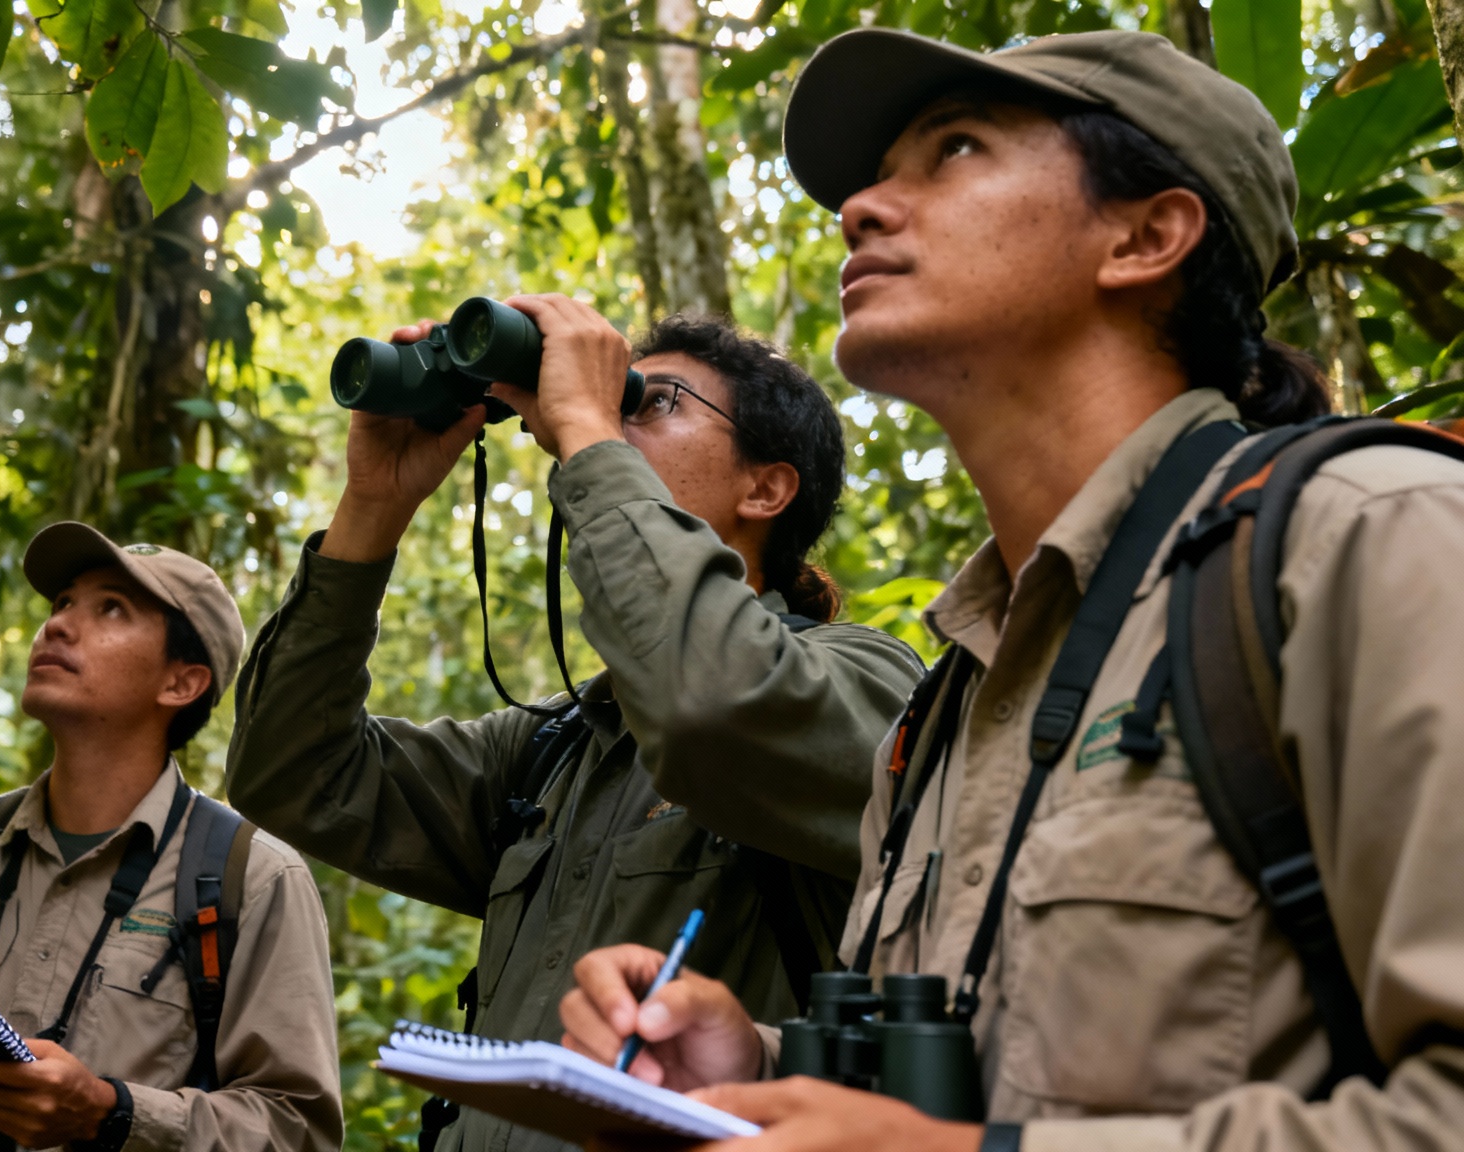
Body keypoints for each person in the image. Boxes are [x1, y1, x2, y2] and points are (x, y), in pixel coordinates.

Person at [558, 26, 1464, 1152]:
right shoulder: (942, 709)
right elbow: (1000, 1079)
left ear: (1146, 235)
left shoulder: (1368, 540)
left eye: (955, 150)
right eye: (878, 175)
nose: (860, 209)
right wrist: (761, 1069)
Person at [226, 305, 923, 1152]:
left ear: (766, 489)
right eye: (619, 399)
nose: (611, 421)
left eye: (652, 401)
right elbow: (293, 771)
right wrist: (375, 505)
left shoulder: (869, 683)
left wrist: (591, 429)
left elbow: (707, 704)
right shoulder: (553, 751)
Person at [0, 525, 342, 1152]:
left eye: (111, 608)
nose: (57, 625)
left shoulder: (251, 877)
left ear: (181, 683)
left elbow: (299, 1130)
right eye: (62, 602)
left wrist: (111, 1114)